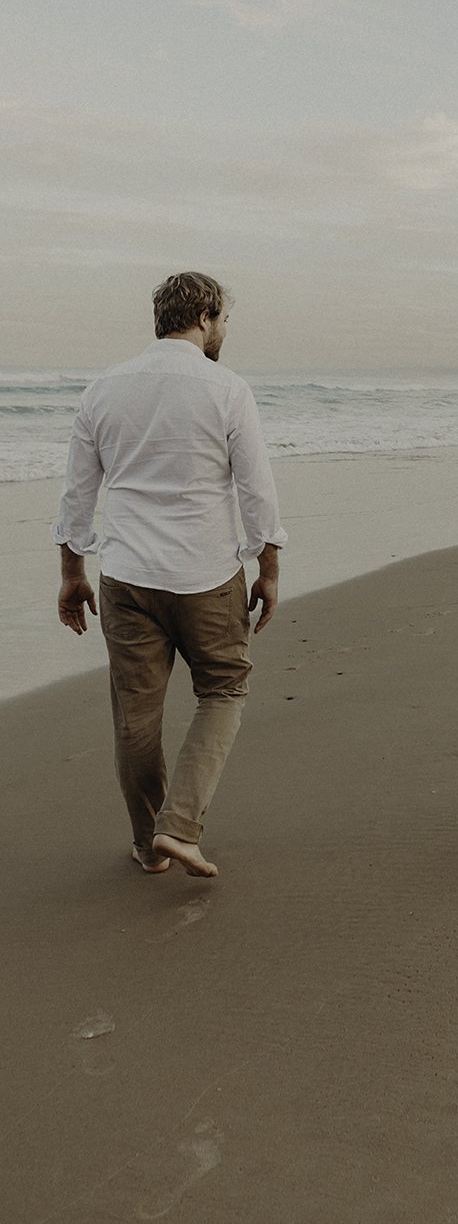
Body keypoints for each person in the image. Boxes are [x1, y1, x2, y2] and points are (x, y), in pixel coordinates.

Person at [53, 271, 287, 879]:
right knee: (224, 689)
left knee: (136, 715)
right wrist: (269, 569)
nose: (225, 331)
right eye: (225, 321)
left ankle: (144, 842)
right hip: (207, 573)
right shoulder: (227, 388)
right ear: (206, 317)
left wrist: (72, 573)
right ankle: (179, 827)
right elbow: (255, 490)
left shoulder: (103, 389)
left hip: (127, 574)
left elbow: (78, 496)